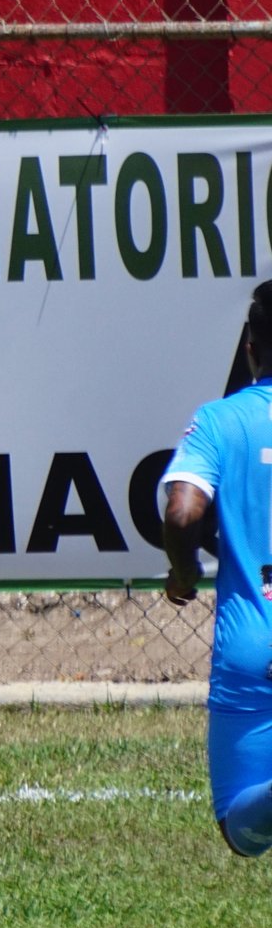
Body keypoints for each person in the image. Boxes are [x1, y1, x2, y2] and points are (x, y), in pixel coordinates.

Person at [162, 280, 272, 858]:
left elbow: (182, 515)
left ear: (251, 346)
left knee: (241, 829)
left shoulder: (221, 421)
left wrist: (183, 575)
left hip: (255, 640)